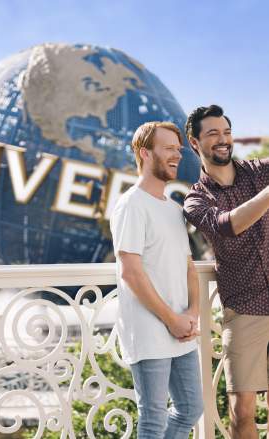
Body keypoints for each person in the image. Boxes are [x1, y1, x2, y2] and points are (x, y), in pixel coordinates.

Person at [110, 121, 203, 439]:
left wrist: (192, 314)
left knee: (191, 409)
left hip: (182, 327)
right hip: (150, 331)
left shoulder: (175, 209)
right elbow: (131, 271)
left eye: (178, 149)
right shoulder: (131, 205)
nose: (177, 155)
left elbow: (189, 266)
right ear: (144, 153)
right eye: (168, 149)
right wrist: (171, 320)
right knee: (152, 418)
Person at [183, 104, 269, 439]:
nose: (223, 140)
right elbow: (229, 225)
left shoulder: (258, 171)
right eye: (213, 133)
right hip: (245, 307)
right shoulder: (195, 200)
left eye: (227, 132)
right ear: (195, 142)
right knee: (242, 410)